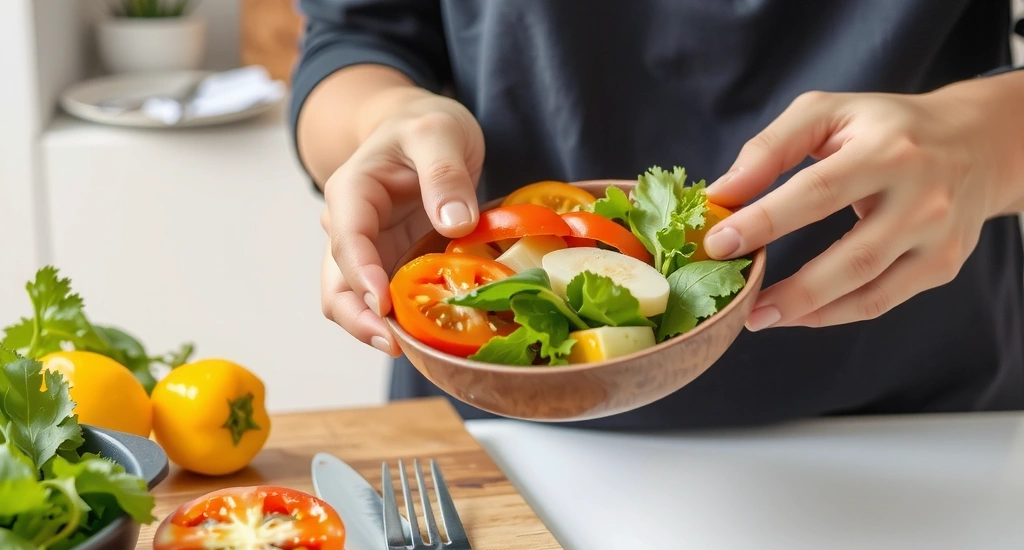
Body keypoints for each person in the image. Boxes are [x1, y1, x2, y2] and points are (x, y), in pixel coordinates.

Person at [289, 0, 1024, 429]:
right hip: (497, 430)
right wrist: (386, 123)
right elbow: (356, 39)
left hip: (912, 423)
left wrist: (986, 143)